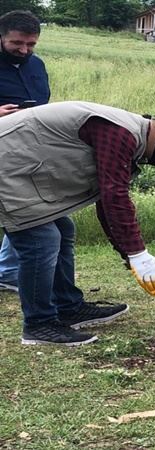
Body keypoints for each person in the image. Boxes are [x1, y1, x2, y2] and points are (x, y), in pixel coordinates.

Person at [0, 101, 155, 346]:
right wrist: (137, 254)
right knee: (41, 240)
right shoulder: (120, 133)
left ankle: (68, 307)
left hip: (20, 166)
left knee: (63, 229)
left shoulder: (129, 137)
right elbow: (114, 195)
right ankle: (38, 325)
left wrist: (130, 255)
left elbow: (105, 200)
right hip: (8, 166)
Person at [0, 10, 50, 292]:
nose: (24, 50)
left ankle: (6, 271)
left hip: (30, 148)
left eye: (31, 44)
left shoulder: (37, 65)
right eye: (17, 44)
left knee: (27, 211)